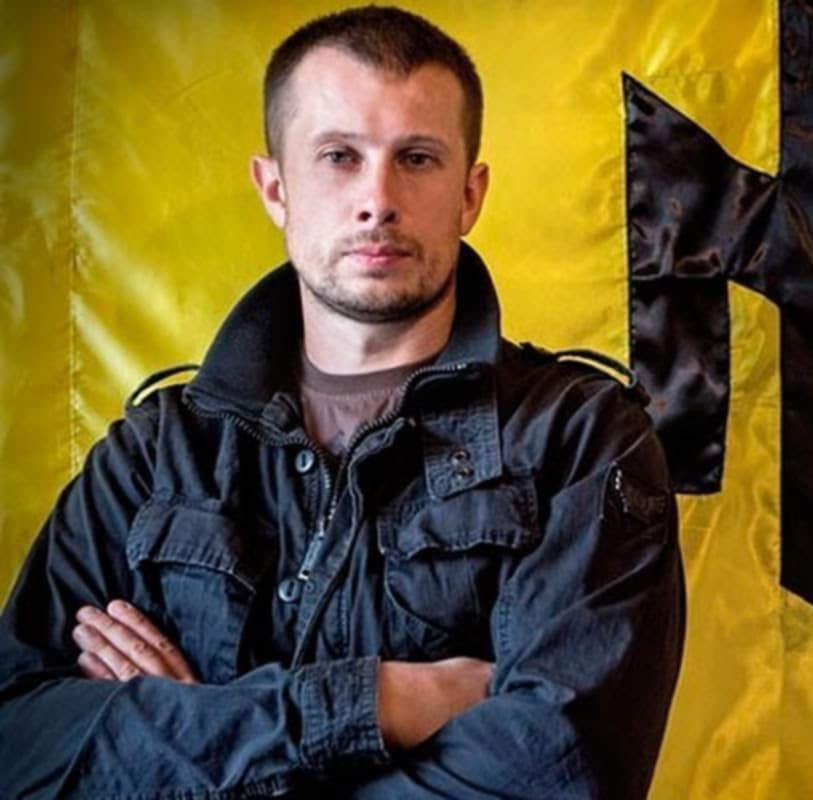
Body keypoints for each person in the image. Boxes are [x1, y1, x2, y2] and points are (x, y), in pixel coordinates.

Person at [0, 6, 684, 798]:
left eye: (417, 158)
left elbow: (562, 773)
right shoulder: (158, 454)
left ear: (469, 194)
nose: (377, 199)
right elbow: (18, 744)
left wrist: (190, 744)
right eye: (338, 156)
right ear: (275, 188)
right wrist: (381, 702)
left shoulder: (579, 442)